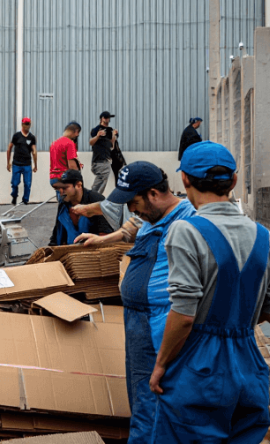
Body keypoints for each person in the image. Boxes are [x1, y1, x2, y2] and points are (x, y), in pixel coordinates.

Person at [148, 142, 270, 443]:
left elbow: (184, 315)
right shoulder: (268, 240)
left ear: (184, 179)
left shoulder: (186, 232)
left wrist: (160, 365)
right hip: (248, 362)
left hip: (199, 365)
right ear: (233, 181)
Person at [73, 162, 196, 443]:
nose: (131, 209)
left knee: (154, 406)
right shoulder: (153, 216)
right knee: (140, 399)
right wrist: (105, 239)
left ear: (153, 194)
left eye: (134, 202)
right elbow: (134, 226)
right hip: (139, 323)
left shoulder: (185, 223)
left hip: (160, 325)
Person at [48, 169, 111, 246]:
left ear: (78, 185)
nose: (61, 192)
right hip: (69, 253)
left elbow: (105, 234)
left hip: (93, 252)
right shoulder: (63, 205)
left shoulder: (97, 200)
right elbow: (56, 235)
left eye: (65, 188)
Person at [7, 117, 38, 206]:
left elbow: (34, 151)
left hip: (27, 165)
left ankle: (25, 199)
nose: (27, 126)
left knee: (28, 183)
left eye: (28, 124)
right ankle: (14, 196)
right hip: (17, 164)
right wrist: (8, 162)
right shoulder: (16, 136)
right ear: (22, 124)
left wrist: (35, 165)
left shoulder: (31, 137)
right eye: (25, 124)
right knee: (15, 183)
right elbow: (9, 148)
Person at [49, 122, 82, 199]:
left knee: (62, 206)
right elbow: (72, 166)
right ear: (76, 132)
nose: (77, 136)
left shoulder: (54, 143)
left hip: (54, 179)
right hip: (65, 180)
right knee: (69, 208)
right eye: (78, 133)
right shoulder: (69, 143)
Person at [89, 111, 117, 194]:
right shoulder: (96, 129)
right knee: (102, 179)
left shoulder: (110, 130)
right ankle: (94, 196)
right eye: (106, 117)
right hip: (99, 160)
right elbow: (91, 142)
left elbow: (112, 146)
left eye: (108, 118)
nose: (108, 119)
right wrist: (97, 135)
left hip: (106, 159)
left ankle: (94, 196)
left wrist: (113, 135)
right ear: (101, 118)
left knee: (102, 180)